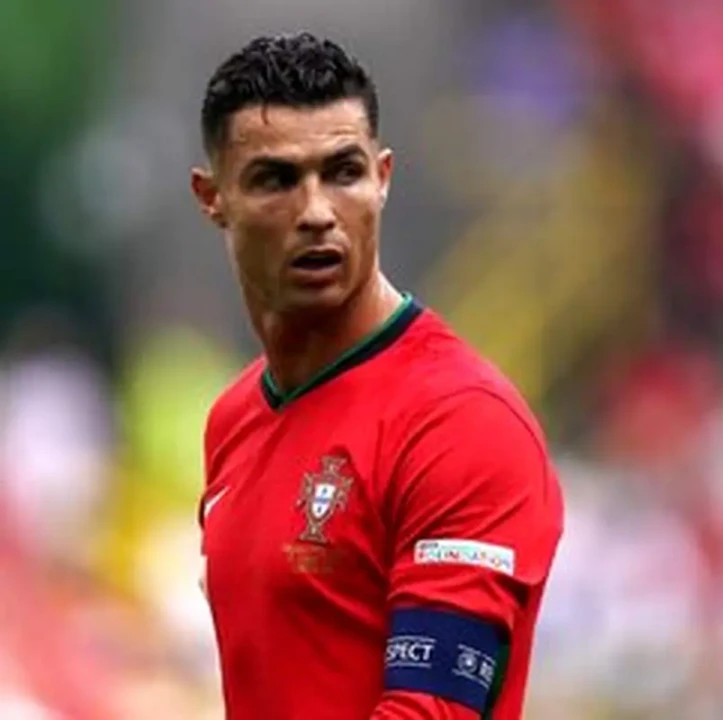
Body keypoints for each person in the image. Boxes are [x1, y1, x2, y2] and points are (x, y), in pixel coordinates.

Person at [190, 32, 564, 720]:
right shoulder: (234, 418)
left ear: (383, 178)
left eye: (343, 172)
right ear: (213, 197)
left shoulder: (462, 423)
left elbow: (433, 711)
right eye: (276, 179)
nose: (317, 212)